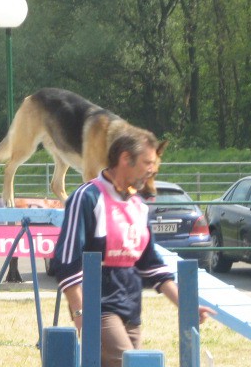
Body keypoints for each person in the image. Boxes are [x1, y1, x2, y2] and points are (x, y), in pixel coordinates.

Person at [51, 131, 216, 367]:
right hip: (98, 307)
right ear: (125, 159)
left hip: (131, 306)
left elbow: (151, 265)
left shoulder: (138, 204)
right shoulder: (87, 197)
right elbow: (66, 262)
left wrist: (186, 305)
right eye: (147, 163)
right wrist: (81, 314)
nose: (152, 170)